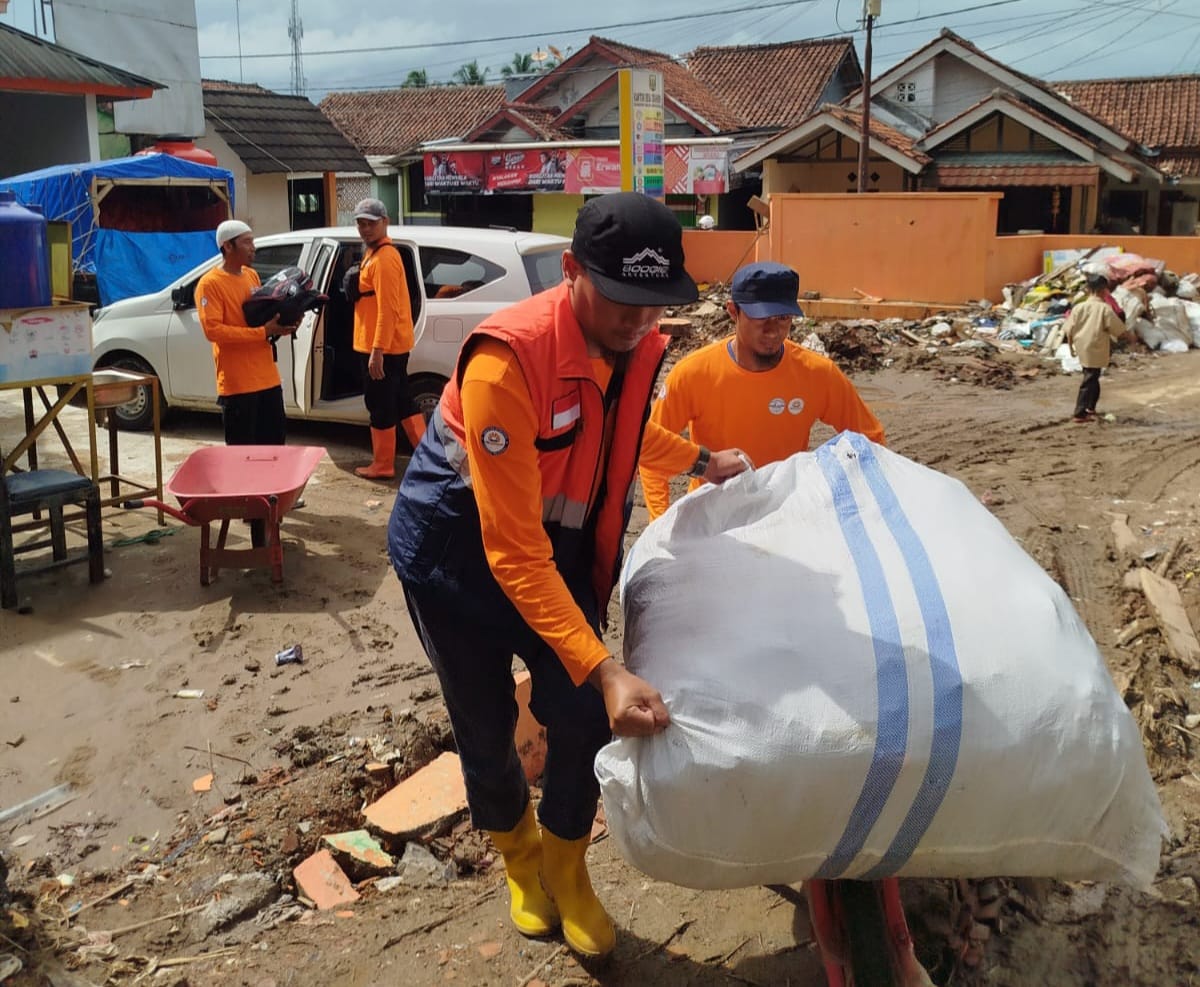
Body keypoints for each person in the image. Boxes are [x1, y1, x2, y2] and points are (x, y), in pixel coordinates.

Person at [387, 193, 748, 959]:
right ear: (574, 271)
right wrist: (607, 663)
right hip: (455, 556)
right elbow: (511, 551)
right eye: (621, 299)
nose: (637, 321)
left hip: (553, 550)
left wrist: (697, 461)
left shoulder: (638, 344)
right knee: (485, 724)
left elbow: (616, 426)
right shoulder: (506, 361)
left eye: (653, 305)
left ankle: (568, 868)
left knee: (583, 713)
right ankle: (522, 866)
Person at [639, 261, 886, 522]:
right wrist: (660, 520)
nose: (773, 330)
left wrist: (852, 505)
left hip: (784, 517)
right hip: (714, 518)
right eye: (761, 318)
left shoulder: (817, 374)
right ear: (733, 311)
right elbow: (652, 454)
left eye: (783, 318)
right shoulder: (693, 374)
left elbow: (870, 439)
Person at [195, 219, 294, 545]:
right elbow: (215, 331)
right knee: (244, 458)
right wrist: (261, 333)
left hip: (267, 378)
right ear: (228, 247)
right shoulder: (209, 284)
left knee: (273, 449)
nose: (254, 248)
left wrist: (284, 320)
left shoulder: (251, 276)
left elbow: (259, 312)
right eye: (247, 242)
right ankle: (254, 522)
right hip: (238, 385)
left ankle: (272, 508)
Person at [350, 198, 425, 479]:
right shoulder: (374, 253)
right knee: (403, 401)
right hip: (385, 346)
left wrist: (377, 349)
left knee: (380, 406)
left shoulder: (384, 258)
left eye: (370, 223)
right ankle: (425, 454)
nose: (365, 228)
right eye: (360, 223)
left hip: (383, 348)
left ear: (385, 222)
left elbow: (388, 309)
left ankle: (383, 464)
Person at [1064, 271, 1134, 423]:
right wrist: (1130, 338)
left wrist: (1072, 346)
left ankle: (1090, 408)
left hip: (1082, 346)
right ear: (1104, 290)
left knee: (1093, 376)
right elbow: (1118, 329)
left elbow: (1067, 328)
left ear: (1088, 290)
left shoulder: (1078, 307)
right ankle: (1080, 413)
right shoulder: (1105, 308)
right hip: (1096, 347)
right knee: (1090, 378)